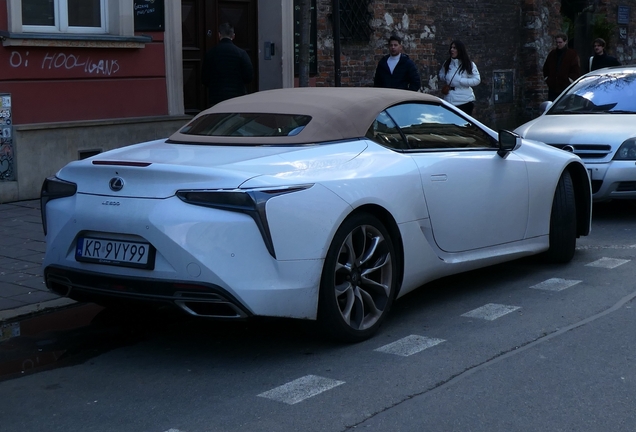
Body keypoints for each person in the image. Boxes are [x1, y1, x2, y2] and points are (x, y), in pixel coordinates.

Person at [202, 22, 254, 107]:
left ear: (219, 35)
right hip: (237, 96)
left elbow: (204, 79)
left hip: (216, 97)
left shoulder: (210, 53)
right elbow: (249, 77)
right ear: (233, 36)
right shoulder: (241, 53)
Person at [438, 40, 481, 116]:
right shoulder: (447, 63)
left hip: (464, 100)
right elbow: (441, 74)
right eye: (451, 47)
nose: (452, 50)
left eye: (454, 48)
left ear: (460, 50)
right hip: (449, 99)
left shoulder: (469, 64)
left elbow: (477, 79)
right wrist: (446, 78)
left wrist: (461, 81)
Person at [542, 33, 580, 100]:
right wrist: (548, 79)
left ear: (565, 42)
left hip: (565, 86)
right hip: (553, 87)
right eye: (557, 42)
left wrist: (569, 80)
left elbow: (575, 69)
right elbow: (546, 68)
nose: (558, 44)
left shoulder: (572, 54)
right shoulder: (552, 54)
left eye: (560, 42)